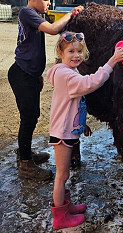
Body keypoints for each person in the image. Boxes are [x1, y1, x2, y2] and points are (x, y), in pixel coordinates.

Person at [47, 31, 123, 230]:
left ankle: (66, 207)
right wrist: (113, 61)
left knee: (64, 175)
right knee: (62, 175)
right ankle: (60, 216)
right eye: (71, 51)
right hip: (62, 134)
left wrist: (81, 125)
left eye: (79, 51)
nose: (76, 55)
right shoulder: (67, 75)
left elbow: (74, 103)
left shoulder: (67, 71)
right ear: (60, 52)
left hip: (68, 129)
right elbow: (91, 83)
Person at [7, 0, 84, 181]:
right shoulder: (27, 12)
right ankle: (25, 163)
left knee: (33, 115)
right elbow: (52, 29)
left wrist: (37, 75)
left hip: (30, 75)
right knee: (28, 118)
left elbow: (33, 49)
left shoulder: (35, 14)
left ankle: (25, 152)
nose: (49, 2)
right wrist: (71, 13)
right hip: (21, 74)